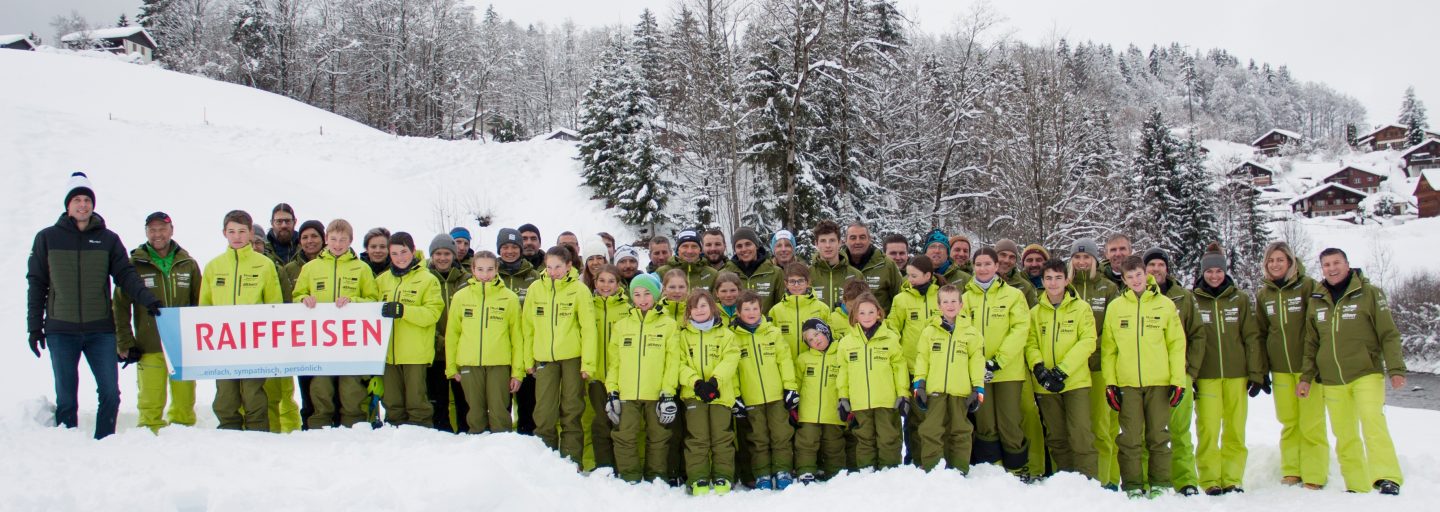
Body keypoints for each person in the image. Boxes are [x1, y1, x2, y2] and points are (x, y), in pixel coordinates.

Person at [28, 172, 161, 440]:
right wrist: (34, 328)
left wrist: (148, 299)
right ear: (67, 205)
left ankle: (105, 442)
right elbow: (37, 283)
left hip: (100, 331)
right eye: (76, 199)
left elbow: (125, 275)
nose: (82, 205)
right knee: (66, 396)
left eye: (87, 199)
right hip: (60, 331)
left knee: (110, 392)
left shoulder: (108, 239)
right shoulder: (47, 238)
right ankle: (68, 444)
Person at [1297, 248, 1406, 496]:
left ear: (1348, 265)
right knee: (1344, 433)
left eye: (1336, 263)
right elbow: (1311, 343)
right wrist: (1306, 377)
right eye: (1326, 265)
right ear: (1321, 269)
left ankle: (1386, 476)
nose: (1331, 268)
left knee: (1372, 421)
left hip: (1365, 372)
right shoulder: (1317, 299)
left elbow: (1388, 334)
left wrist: (1396, 368)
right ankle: (1356, 484)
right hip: (1332, 379)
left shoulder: (1369, 294)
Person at [1101, 256, 1186, 499]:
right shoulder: (1116, 307)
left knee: (1159, 436)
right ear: (1124, 280)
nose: (1135, 280)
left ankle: (1160, 483)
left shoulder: (1165, 305)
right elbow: (1109, 349)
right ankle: (1132, 485)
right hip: (1127, 383)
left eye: (1139, 275)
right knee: (1129, 438)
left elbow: (1176, 345)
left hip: (1159, 382)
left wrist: (1177, 380)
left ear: (1145, 274)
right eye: (1130, 277)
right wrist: (1111, 382)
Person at [114, 211, 200, 432]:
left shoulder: (187, 263)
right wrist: (125, 341)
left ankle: (185, 438)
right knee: (150, 401)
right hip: (148, 344)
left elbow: (199, 304)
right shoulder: (133, 264)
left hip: (182, 347)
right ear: (146, 232)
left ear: (171, 230)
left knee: (184, 403)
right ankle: (149, 439)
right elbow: (120, 307)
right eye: (152, 229)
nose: (157, 234)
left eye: (162, 229)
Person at [199, 210, 285, 431]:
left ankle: (258, 434)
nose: (236, 236)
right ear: (224, 233)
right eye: (231, 231)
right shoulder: (213, 267)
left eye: (242, 231)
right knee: (226, 396)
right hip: (224, 344)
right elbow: (204, 308)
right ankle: (228, 433)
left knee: (253, 394)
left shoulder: (264, 265)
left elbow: (274, 306)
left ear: (250, 234)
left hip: (254, 344)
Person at [1191, 244, 1265, 495]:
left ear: (1225, 271)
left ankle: (1232, 478)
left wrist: (1256, 373)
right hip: (1206, 375)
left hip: (1237, 375)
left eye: (1218, 271)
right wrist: (1189, 373)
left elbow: (1252, 336)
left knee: (1235, 428)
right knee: (1208, 429)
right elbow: (1187, 338)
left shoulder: (1239, 299)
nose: (1214, 276)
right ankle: (1210, 478)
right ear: (1202, 273)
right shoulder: (1193, 299)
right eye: (1209, 271)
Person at [292, 219, 379, 429]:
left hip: (352, 342)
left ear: (350, 240)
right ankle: (319, 426)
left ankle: (353, 426)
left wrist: (354, 302)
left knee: (351, 388)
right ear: (326, 239)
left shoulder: (361, 269)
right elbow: (296, 296)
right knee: (321, 386)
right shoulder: (311, 268)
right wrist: (304, 299)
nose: (337, 244)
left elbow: (372, 300)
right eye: (333, 239)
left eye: (342, 240)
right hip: (321, 342)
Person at [1255, 241, 1328, 490]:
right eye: (1271, 261)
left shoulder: (1307, 287)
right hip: (1281, 369)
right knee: (1288, 420)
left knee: (1312, 422)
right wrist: (1262, 369)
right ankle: (1292, 469)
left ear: (1290, 262)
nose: (1275, 264)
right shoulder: (1264, 294)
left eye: (1280, 260)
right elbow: (1262, 333)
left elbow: (1317, 328)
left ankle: (1315, 472)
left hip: (1307, 368)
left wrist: (1312, 367)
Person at [962, 248, 1033, 476]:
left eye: (987, 264)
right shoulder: (965, 298)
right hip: (978, 371)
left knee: (1009, 420)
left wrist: (998, 361)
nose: (982, 268)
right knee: (985, 423)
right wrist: (978, 363)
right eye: (978, 264)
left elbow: (1020, 329)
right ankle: (992, 468)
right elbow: (962, 332)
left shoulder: (1013, 295)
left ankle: (1016, 468)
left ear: (996, 267)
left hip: (1008, 370)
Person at [524, 246, 598, 465]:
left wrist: (588, 363)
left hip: (572, 358)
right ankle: (546, 461)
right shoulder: (536, 289)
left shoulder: (579, 290)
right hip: (544, 358)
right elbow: (527, 327)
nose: (553, 271)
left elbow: (588, 329)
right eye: (549, 267)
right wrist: (528, 360)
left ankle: (571, 460)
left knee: (571, 410)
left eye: (558, 267)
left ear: (568, 266)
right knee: (544, 412)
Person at [1142, 247, 1206, 495]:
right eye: (1151, 265)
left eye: (1160, 265)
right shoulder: (1138, 296)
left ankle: (1185, 480)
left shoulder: (1183, 297)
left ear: (1167, 269)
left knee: (1180, 430)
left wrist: (1190, 370)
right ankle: (1151, 478)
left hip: (1179, 375)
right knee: (1151, 430)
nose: (1155, 269)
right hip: (1149, 376)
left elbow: (1197, 334)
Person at [605, 273, 680, 483]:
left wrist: (668, 393)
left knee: (658, 437)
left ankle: (656, 477)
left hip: (656, 393)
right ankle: (630, 477)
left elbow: (672, 362)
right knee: (625, 436)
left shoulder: (668, 325)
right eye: (637, 294)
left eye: (647, 293)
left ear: (656, 295)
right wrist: (612, 391)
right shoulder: (622, 326)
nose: (642, 299)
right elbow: (615, 363)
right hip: (627, 393)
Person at [1027, 259, 1098, 479]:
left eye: (1058, 277)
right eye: (1048, 278)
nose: (1053, 283)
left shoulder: (1081, 308)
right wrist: (1038, 367)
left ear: (1067, 280)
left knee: (1080, 434)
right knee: (1056, 437)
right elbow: (1030, 343)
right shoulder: (1035, 313)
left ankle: (1086, 481)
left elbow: (1088, 340)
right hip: (1046, 384)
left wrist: (1063, 370)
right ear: (1042, 281)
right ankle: (1066, 481)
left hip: (1075, 382)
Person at [445, 250, 524, 433]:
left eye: (490, 269)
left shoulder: (509, 298)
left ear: (497, 269)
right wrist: (451, 367)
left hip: (499, 364)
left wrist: (517, 372)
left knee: (499, 412)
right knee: (475, 413)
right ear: (473, 269)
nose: (485, 274)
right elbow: (452, 335)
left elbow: (517, 338)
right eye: (480, 269)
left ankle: (501, 451)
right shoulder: (461, 297)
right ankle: (477, 453)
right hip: (469, 364)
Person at [913, 284, 986, 472]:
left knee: (960, 430)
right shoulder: (930, 331)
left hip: (960, 391)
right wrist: (919, 383)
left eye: (954, 301)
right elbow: (922, 358)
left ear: (961, 305)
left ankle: (960, 468)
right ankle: (932, 467)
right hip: (935, 390)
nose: (950, 305)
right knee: (931, 429)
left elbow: (977, 361)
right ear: (939, 306)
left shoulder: (971, 333)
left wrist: (978, 388)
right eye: (945, 301)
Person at [731, 290, 799, 490]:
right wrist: (736, 395)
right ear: (738, 312)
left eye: (755, 308)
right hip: (751, 398)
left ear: (761, 310)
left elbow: (784, 361)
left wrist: (790, 388)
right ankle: (762, 473)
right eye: (746, 309)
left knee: (781, 435)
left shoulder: (773, 333)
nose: (751, 312)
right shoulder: (733, 337)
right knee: (758, 438)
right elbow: (733, 369)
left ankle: (783, 470)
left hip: (776, 395)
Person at [1068, 237, 1121, 489]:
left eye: (1086, 257)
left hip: (1099, 365)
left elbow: (1111, 329)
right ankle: (1073, 478)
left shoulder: (1107, 288)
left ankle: (1106, 478)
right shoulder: (1065, 286)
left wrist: (1092, 348)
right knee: (1077, 425)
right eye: (1077, 257)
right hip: (1072, 368)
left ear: (1094, 259)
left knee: (1102, 425)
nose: (1081, 261)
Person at [377, 232, 445, 427]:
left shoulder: (427, 280)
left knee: (417, 403)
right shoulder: (382, 281)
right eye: (395, 253)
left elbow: (432, 314)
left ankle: (420, 438)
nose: (400, 258)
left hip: (415, 353)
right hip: (389, 354)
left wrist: (403, 310)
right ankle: (393, 437)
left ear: (413, 251)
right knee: (392, 402)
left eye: (404, 252)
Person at [677, 289, 741, 495]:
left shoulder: (726, 334)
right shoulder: (683, 336)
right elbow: (678, 363)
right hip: (693, 394)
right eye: (694, 307)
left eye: (703, 305)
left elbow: (731, 359)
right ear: (689, 312)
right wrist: (696, 383)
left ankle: (723, 475)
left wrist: (714, 382)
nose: (699, 310)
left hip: (720, 394)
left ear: (712, 307)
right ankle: (698, 478)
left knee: (721, 437)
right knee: (698, 437)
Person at [835, 293, 907, 469]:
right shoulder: (846, 343)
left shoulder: (890, 338)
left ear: (879, 314)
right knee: (864, 439)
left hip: (886, 400)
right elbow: (843, 371)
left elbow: (899, 367)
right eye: (862, 313)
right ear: (855, 316)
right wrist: (843, 397)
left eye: (870, 312)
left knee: (888, 437)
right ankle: (867, 472)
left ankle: (889, 471)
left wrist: (903, 394)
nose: (867, 317)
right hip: (860, 401)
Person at [886, 256, 945, 464]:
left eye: (914, 275)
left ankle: (936, 458)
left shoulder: (941, 296)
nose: (909, 279)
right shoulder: (901, 299)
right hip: (911, 364)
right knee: (915, 415)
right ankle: (915, 457)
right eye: (907, 274)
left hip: (939, 365)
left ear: (928, 275)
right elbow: (892, 327)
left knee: (936, 414)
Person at [497, 227, 542, 435]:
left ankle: (527, 443)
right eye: (505, 247)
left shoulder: (533, 276)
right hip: (499, 348)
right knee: (500, 403)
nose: (510, 251)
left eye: (514, 247)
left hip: (527, 349)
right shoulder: (491, 274)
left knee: (528, 403)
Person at [588, 265, 631, 470]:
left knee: (621, 422)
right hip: (595, 374)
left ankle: (622, 464)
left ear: (618, 284)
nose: (606, 285)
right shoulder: (588, 306)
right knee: (600, 422)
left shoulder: (628, 308)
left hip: (621, 375)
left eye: (611, 281)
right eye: (602, 281)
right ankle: (602, 464)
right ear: (595, 283)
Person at [426, 234, 470, 433]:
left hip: (461, 351)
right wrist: (439, 340)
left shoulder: (467, 280)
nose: (442, 258)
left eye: (446, 253)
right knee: (438, 400)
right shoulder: (424, 279)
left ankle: (465, 433)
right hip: (434, 351)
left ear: (454, 255)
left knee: (463, 400)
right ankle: (441, 437)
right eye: (438, 253)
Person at [285, 219, 325, 428]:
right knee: (307, 385)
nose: (310, 241)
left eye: (314, 236)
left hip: (334, 338)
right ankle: (308, 424)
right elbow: (285, 301)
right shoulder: (290, 268)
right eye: (305, 237)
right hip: (304, 339)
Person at [794, 319, 846, 482]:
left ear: (825, 331)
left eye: (816, 334)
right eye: (810, 339)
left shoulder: (841, 354)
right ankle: (806, 470)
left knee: (834, 444)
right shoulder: (803, 359)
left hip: (834, 411)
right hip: (808, 412)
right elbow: (796, 382)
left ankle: (835, 471)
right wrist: (793, 405)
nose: (815, 340)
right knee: (806, 443)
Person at [769, 262, 831, 359]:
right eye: (792, 281)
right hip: (786, 365)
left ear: (807, 282)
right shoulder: (776, 311)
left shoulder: (822, 308)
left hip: (814, 366)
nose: (796, 285)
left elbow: (830, 338)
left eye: (800, 281)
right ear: (786, 283)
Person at [721, 227, 784, 309]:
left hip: (765, 321)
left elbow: (782, 306)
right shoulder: (724, 274)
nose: (744, 249)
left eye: (748, 244)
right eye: (739, 246)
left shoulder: (775, 272)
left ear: (756, 246)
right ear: (735, 250)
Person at [845, 222, 903, 311]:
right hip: (843, 323)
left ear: (869, 239)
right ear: (845, 241)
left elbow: (900, 301)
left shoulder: (887, 265)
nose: (858, 242)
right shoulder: (838, 265)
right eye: (853, 238)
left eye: (862, 237)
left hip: (879, 323)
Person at [810, 221, 865, 309]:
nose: (828, 245)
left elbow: (864, 308)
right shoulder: (807, 275)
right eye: (823, 241)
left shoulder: (855, 275)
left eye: (832, 240)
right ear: (816, 244)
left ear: (839, 242)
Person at [994, 239, 1039, 308]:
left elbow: (1035, 316)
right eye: (1003, 255)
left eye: (1012, 257)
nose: (1007, 260)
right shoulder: (980, 283)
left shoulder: (1025, 287)